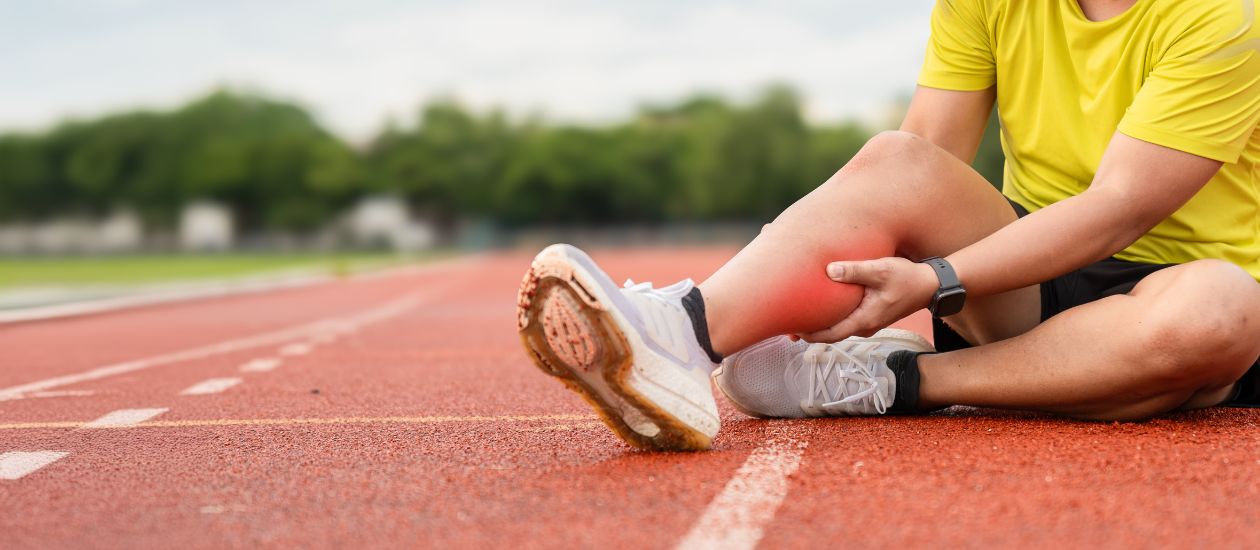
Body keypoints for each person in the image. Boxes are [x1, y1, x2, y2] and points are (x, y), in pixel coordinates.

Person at [516, 0, 1260, 451]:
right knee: (900, 159)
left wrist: (936, 281)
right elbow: (925, 157)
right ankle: (672, 332)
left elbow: (1119, 207)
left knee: (1218, 314)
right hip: (1026, 270)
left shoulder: (1226, 18)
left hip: (1182, 289)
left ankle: (891, 382)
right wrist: (836, 267)